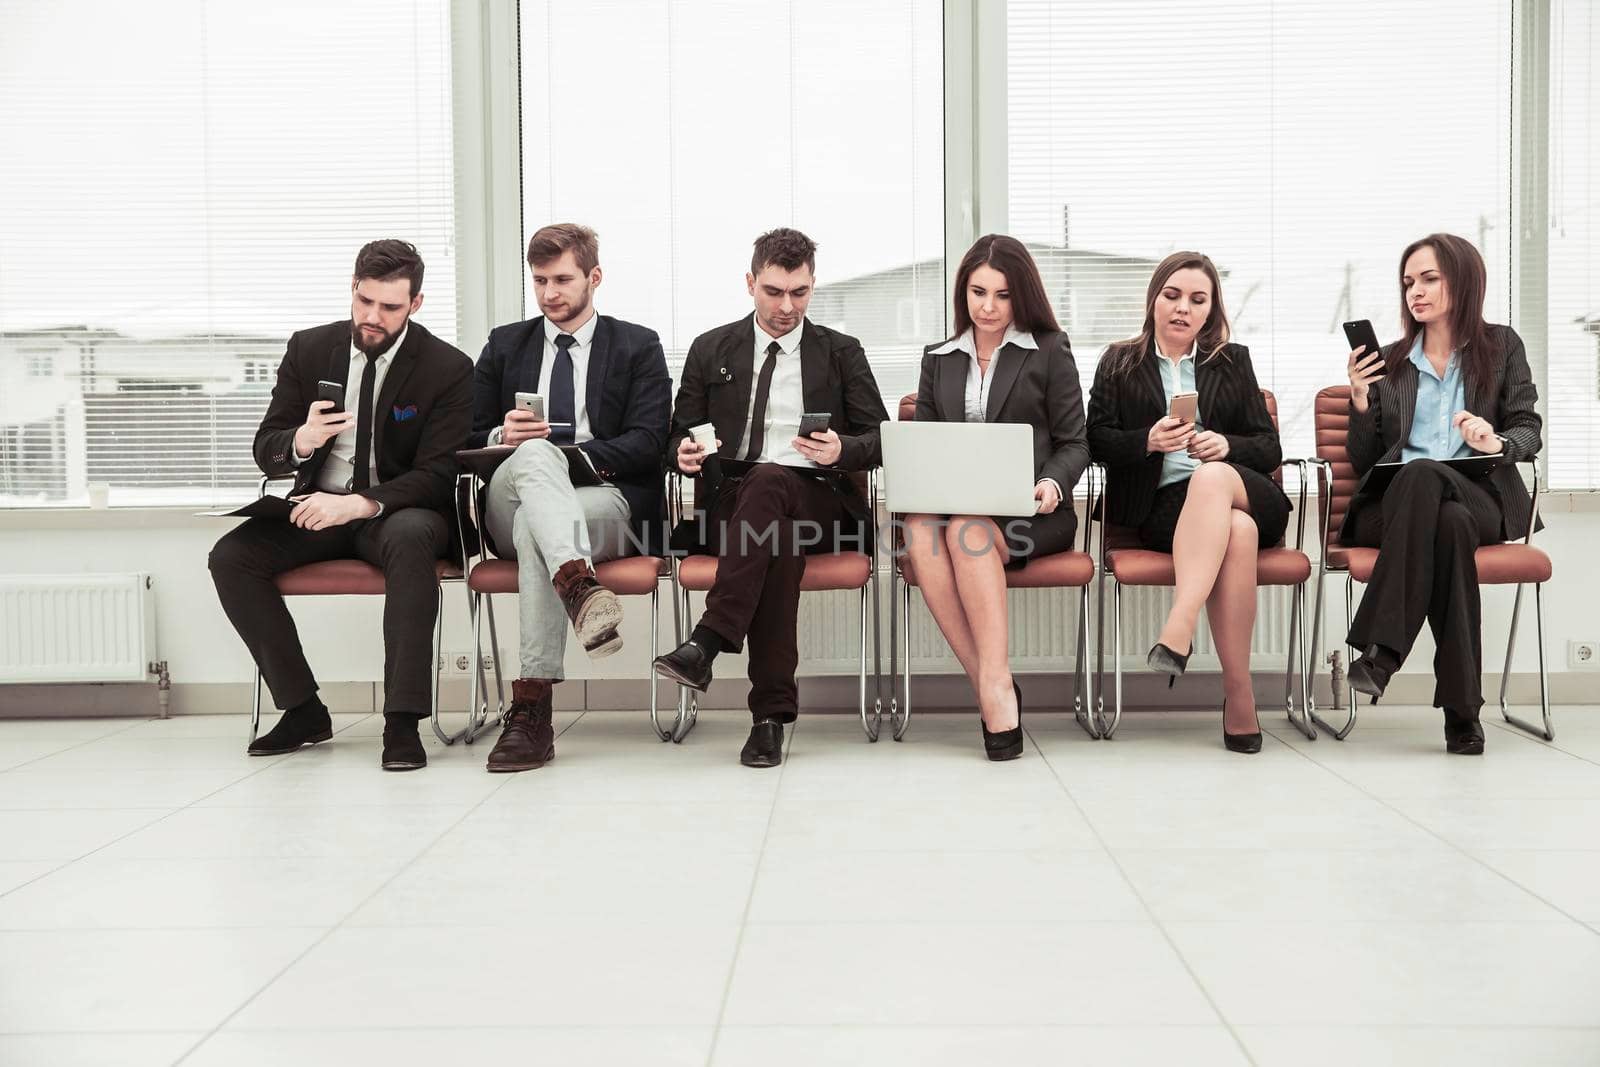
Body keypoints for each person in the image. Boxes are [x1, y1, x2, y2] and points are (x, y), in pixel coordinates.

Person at [209, 240, 472, 770]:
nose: (373, 317)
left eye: (390, 308)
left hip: (397, 510)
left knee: (412, 536)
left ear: (415, 304)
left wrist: (360, 505)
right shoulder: (309, 349)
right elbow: (268, 449)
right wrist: (302, 440)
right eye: (365, 301)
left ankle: (402, 721)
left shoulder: (447, 367)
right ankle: (303, 709)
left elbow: (439, 474)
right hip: (318, 506)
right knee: (231, 557)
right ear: (354, 288)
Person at [651, 228, 889, 768]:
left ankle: (708, 642)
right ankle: (769, 719)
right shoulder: (712, 349)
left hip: (822, 499)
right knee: (773, 528)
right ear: (750, 283)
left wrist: (840, 450)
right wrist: (682, 456)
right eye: (774, 292)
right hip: (735, 505)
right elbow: (675, 437)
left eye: (800, 293)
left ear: (812, 286)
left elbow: (881, 441)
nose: (787, 306)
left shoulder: (840, 352)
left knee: (772, 483)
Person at [468, 224, 671, 773]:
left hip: (603, 501)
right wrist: (498, 438)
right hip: (509, 501)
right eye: (539, 281)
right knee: (531, 458)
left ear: (594, 277)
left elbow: (650, 441)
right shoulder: (505, 343)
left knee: (543, 511)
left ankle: (531, 708)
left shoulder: (637, 344)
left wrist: (563, 459)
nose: (549, 293)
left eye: (562, 279)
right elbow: (460, 436)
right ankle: (579, 587)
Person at [1340, 233, 1542, 755]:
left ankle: (1383, 650)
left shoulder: (1502, 347)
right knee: (1440, 516)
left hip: (1479, 495)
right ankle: (1462, 712)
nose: (1416, 291)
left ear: (1463, 280)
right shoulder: (1391, 360)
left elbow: (1528, 429)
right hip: (1394, 507)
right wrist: (1360, 401)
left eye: (1429, 278)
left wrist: (1493, 440)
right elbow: (1364, 459)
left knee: (1435, 485)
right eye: (1409, 282)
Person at [1086, 251, 1289, 754]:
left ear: (1210, 309)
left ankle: (1180, 624)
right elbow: (1094, 441)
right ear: (1154, 299)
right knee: (1235, 532)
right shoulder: (1119, 362)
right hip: (1165, 510)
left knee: (1216, 478)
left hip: (1243, 487)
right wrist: (1147, 442)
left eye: (1198, 300)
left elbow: (1269, 447)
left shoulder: (1231, 360)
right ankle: (1239, 697)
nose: (1183, 308)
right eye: (1172, 295)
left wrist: (1227, 445)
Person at [902, 235, 1088, 760]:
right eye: (977, 292)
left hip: (1034, 512)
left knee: (966, 528)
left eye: (1002, 296)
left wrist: (1051, 484)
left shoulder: (1048, 349)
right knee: (920, 526)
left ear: (1020, 296)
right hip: (960, 504)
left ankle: (994, 689)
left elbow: (1075, 440)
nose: (987, 307)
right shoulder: (938, 358)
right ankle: (994, 681)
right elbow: (931, 444)